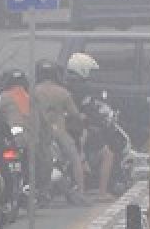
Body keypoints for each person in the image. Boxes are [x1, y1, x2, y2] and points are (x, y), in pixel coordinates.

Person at [64, 52, 117, 200]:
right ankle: (101, 192)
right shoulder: (80, 87)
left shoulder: (68, 83)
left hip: (69, 129)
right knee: (107, 155)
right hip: (79, 130)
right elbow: (88, 110)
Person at [34, 59, 87, 202]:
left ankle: (42, 191)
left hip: (41, 134)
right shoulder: (63, 93)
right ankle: (81, 193)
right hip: (60, 132)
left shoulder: (33, 92)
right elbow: (75, 114)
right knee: (76, 160)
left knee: (39, 162)